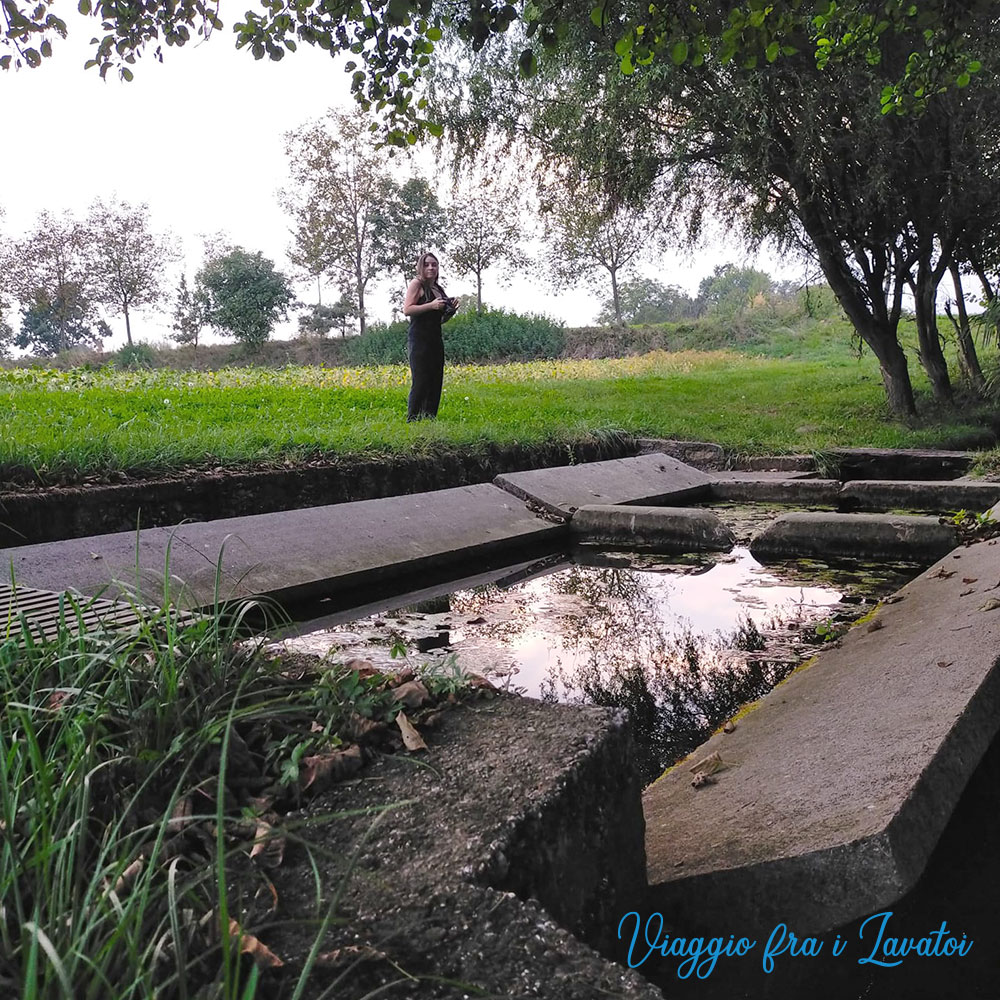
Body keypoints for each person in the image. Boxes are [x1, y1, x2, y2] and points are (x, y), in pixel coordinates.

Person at [403, 251, 459, 421]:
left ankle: (429, 419)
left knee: (436, 380)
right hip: (419, 340)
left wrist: (450, 312)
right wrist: (432, 305)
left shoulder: (438, 288)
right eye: (427, 264)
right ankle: (412, 420)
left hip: (435, 339)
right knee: (420, 381)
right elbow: (408, 309)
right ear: (421, 266)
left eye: (434, 264)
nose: (431, 267)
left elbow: (438, 320)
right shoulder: (416, 284)